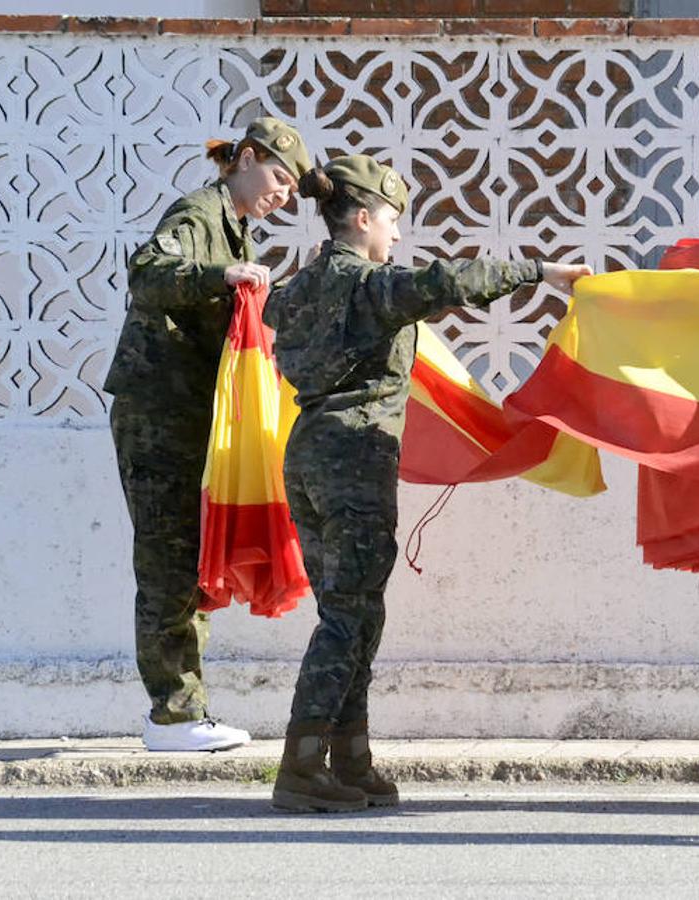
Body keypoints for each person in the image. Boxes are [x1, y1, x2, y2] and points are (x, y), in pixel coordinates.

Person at [263, 155, 592, 812]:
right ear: (362, 219)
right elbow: (451, 282)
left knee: (356, 610)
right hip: (355, 457)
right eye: (391, 220)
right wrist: (542, 271)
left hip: (307, 453)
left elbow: (266, 310)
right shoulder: (370, 285)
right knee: (348, 615)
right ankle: (302, 765)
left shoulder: (294, 291)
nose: (397, 235)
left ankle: (349, 761)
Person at [105, 117, 312, 752]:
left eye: (290, 189)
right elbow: (148, 270)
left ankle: (185, 708)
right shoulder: (199, 213)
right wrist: (220, 275)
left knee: (194, 558)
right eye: (278, 177)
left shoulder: (235, 227)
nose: (282, 194)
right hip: (159, 412)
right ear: (245, 159)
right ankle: (170, 714)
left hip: (192, 413)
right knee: (168, 561)